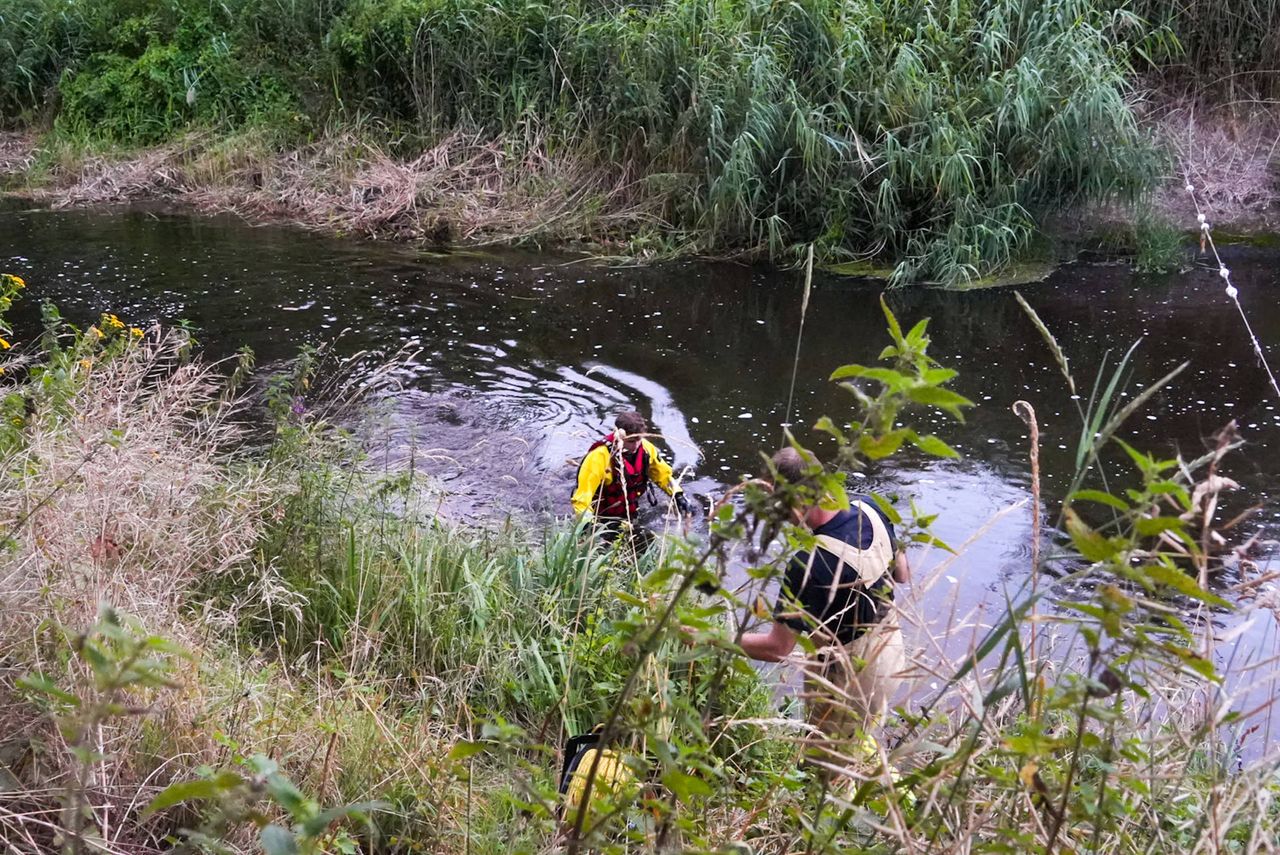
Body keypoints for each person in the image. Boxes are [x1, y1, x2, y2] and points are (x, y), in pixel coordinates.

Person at [739, 447, 910, 754]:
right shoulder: (870, 507)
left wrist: (717, 639)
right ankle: (867, 754)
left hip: (848, 682)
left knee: (824, 762)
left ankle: (854, 769)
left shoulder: (807, 564)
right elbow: (902, 574)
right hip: (891, 657)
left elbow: (777, 649)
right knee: (865, 729)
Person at [571, 411, 690, 532]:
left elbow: (662, 475)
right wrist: (587, 525)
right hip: (602, 517)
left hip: (629, 511)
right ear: (618, 436)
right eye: (631, 441)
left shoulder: (646, 449)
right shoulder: (598, 458)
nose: (636, 445)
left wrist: (678, 495)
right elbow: (581, 498)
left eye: (639, 439)